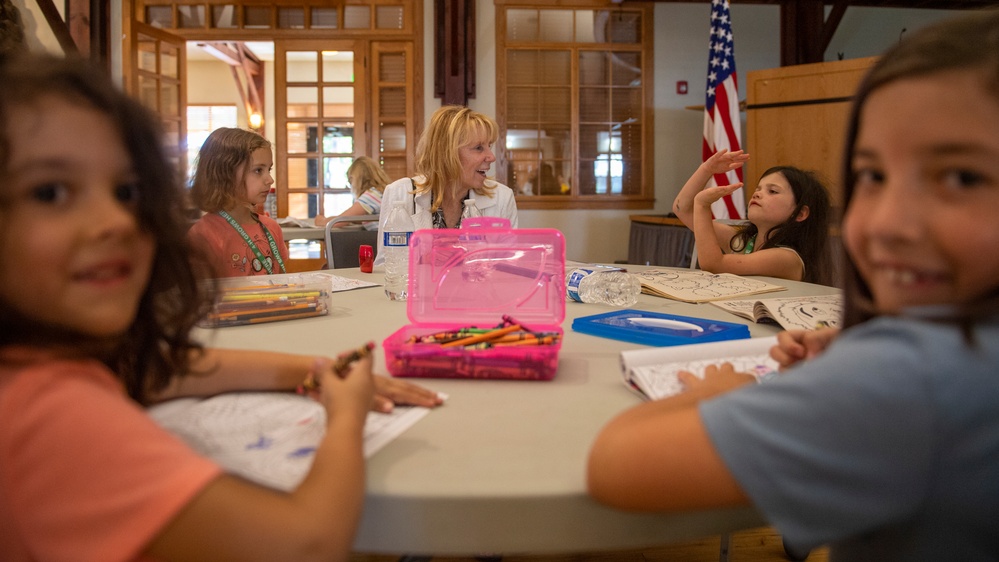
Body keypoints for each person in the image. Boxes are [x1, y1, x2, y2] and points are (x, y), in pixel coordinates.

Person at [588, 10, 999, 560]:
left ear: (801, 213)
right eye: (872, 176)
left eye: (961, 178)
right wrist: (708, 179)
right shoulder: (744, 235)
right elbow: (686, 210)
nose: (886, 222)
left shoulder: (908, 371)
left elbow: (617, 466)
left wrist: (717, 394)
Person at [0, 53, 443, 561]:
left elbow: (160, 369)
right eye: (51, 192)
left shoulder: (45, 364)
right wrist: (345, 415)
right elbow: (307, 544)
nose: (116, 222)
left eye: (126, 191)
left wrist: (316, 369)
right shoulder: (46, 418)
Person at [375, 105, 519, 263]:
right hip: (420, 288)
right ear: (447, 153)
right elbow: (384, 267)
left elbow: (509, 268)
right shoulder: (400, 193)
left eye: (489, 146)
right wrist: (423, 261)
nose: (491, 157)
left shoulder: (503, 197)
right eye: (479, 148)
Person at [672, 150, 832, 285]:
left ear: (800, 213)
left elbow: (714, 264)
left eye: (773, 191)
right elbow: (683, 210)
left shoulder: (787, 257)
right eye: (758, 188)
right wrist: (706, 169)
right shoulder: (742, 241)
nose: (757, 193)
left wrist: (702, 205)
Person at [188, 127, 290, 278]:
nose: (270, 180)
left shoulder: (271, 228)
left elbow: (283, 283)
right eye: (258, 170)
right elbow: (200, 295)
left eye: (269, 169)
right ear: (225, 174)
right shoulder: (203, 234)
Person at [314, 156, 390, 228]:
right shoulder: (381, 192)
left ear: (355, 179)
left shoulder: (372, 195)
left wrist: (322, 221)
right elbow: (350, 217)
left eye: (351, 180)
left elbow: (339, 221)